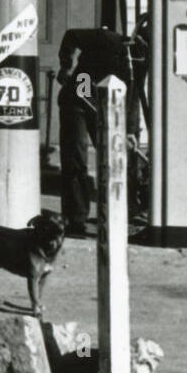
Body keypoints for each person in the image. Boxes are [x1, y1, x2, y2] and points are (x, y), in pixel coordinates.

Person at [56, 25, 131, 235]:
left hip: (106, 103)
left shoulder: (142, 64)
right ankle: (76, 218)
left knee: (114, 158)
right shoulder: (107, 38)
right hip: (79, 98)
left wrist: (131, 130)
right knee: (76, 157)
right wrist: (66, 66)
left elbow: (134, 96)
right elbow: (71, 35)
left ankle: (114, 214)